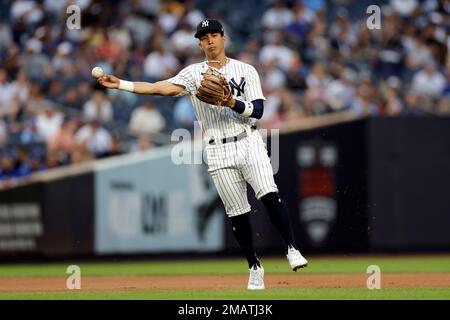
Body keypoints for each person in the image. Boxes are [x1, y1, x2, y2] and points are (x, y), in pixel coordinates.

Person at [98, 19, 308, 290]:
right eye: (204, 37)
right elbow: (161, 87)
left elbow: (258, 111)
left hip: (247, 140)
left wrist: (231, 101)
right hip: (217, 147)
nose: (209, 40)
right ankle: (254, 268)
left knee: (269, 194)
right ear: (199, 43)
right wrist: (121, 85)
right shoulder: (193, 74)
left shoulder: (246, 70)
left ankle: (291, 248)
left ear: (223, 38)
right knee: (237, 214)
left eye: (213, 35)